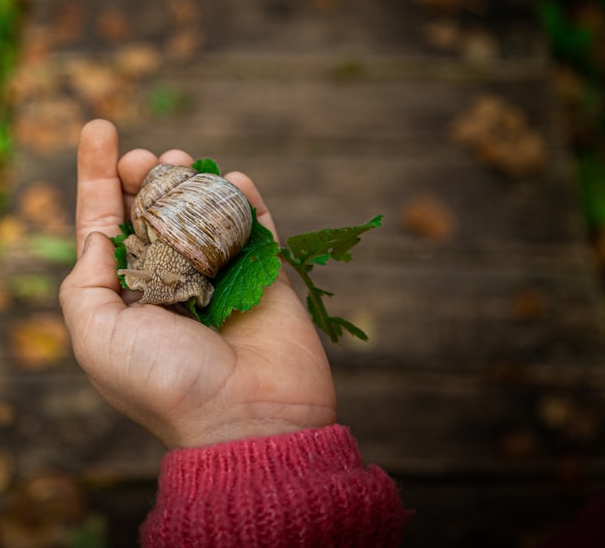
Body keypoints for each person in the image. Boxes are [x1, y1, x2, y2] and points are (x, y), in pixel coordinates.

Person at [59, 119, 408, 547]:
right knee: (174, 273)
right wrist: (243, 424)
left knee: (173, 272)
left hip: (186, 231)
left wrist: (233, 426)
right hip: (184, 228)